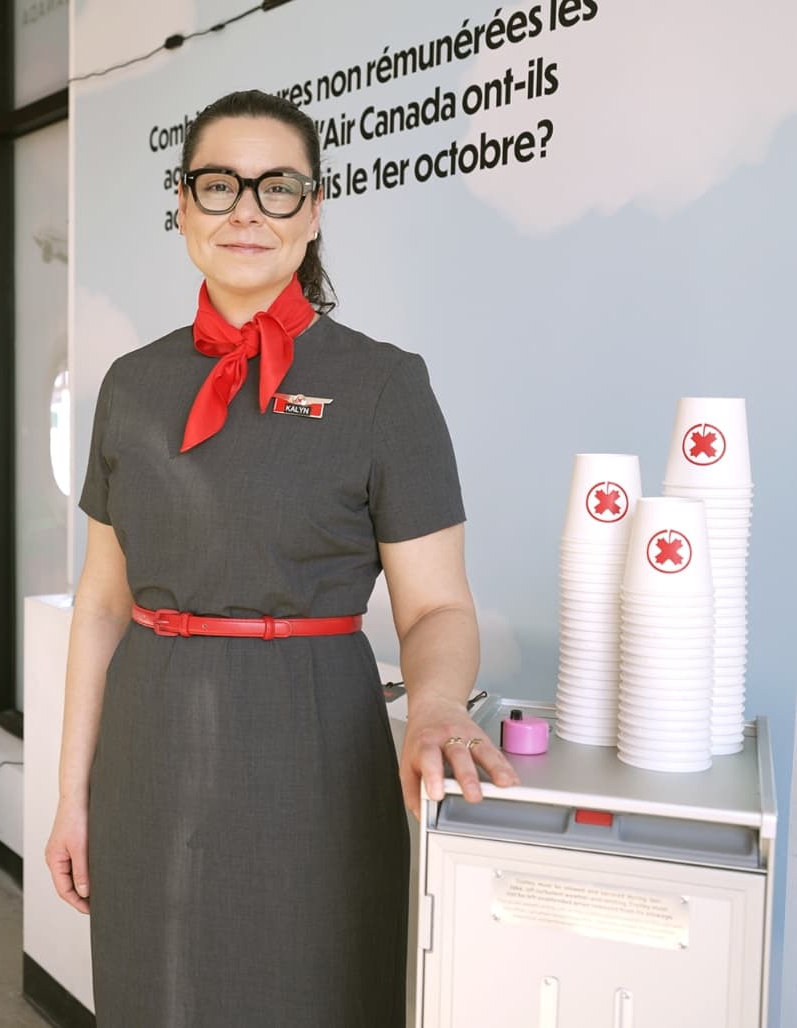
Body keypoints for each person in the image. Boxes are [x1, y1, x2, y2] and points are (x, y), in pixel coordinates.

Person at [45, 88, 519, 1027]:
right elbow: (101, 604)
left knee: (311, 986)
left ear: (313, 213)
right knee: (152, 987)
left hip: (310, 741)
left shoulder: (384, 384)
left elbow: (436, 611)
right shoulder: (132, 387)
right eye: (218, 186)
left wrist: (431, 707)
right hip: (145, 741)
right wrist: (72, 796)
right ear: (181, 205)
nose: (246, 211)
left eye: (277, 188)